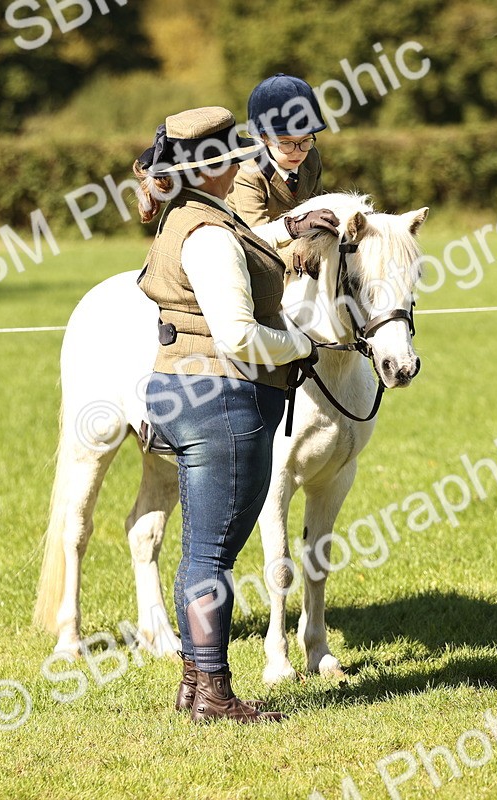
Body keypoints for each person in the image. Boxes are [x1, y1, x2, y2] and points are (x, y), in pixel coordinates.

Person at [134, 107, 338, 723]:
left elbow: (252, 243)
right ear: (216, 165)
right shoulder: (211, 234)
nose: (249, 163)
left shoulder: (192, 217)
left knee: (202, 549)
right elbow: (240, 337)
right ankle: (215, 692)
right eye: (238, 154)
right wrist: (302, 344)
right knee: (212, 556)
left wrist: (295, 225)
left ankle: (197, 686)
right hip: (221, 400)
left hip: (186, 392)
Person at [228, 73, 328, 227]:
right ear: (263, 137)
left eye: (305, 140)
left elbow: (317, 212)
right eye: (286, 143)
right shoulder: (246, 170)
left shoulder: (311, 157)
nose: (298, 151)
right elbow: (258, 236)